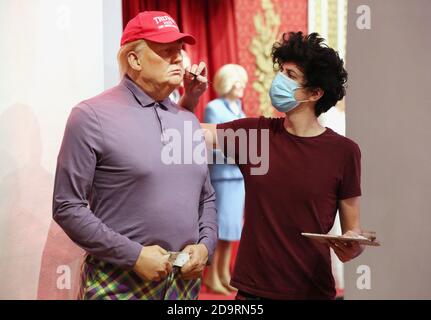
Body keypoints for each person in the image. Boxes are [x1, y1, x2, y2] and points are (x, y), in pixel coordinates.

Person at [186, 32, 365, 300]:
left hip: (311, 291)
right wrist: (190, 97)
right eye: (281, 71)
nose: (279, 79)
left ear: (315, 92)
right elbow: (185, 134)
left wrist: (353, 246)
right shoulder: (255, 134)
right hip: (253, 292)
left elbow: (353, 229)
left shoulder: (345, 151)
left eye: (291, 75)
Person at [52, 11, 216, 300]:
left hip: (183, 285)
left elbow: (206, 198)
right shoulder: (90, 116)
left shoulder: (187, 119)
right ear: (135, 60)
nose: (179, 59)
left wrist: (205, 247)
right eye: (166, 51)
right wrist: (134, 256)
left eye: (179, 51)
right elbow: (67, 207)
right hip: (118, 281)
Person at [203, 64, 247, 295]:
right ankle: (211, 276)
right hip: (221, 177)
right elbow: (210, 144)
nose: (241, 87)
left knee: (232, 230)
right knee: (220, 230)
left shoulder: (239, 108)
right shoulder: (214, 108)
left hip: (239, 178)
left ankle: (224, 274)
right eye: (237, 82)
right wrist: (237, 153)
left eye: (242, 82)